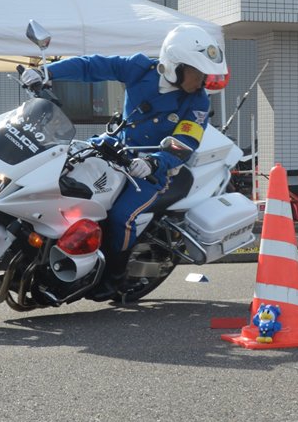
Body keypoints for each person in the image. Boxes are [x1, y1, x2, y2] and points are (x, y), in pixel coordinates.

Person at [20, 24, 227, 300]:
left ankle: (113, 276)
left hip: (152, 169)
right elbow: (92, 67)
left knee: (122, 216)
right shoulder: (139, 69)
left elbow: (185, 141)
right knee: (59, 176)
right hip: (112, 147)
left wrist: (156, 162)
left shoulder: (197, 102)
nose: (203, 81)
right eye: (198, 72)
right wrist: (48, 73)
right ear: (175, 64)